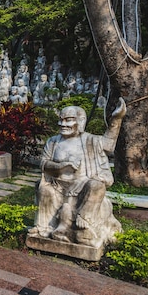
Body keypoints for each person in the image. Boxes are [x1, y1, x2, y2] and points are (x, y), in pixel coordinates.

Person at [28, 98, 126, 248]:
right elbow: (43, 163)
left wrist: (116, 119)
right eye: (61, 120)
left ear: (80, 121)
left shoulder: (90, 140)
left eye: (68, 120)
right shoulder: (53, 142)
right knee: (44, 188)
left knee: (97, 186)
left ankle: (83, 219)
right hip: (57, 186)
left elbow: (109, 144)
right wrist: (61, 166)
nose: (63, 124)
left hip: (82, 185)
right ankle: (44, 227)